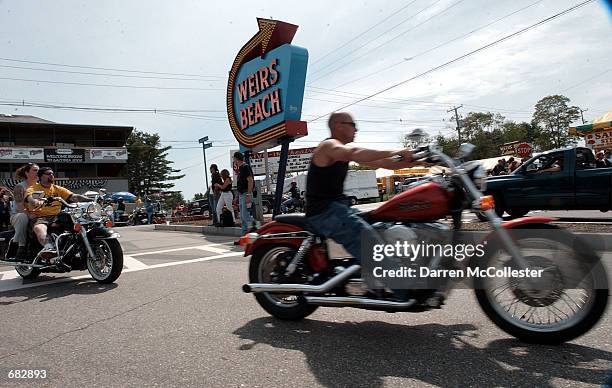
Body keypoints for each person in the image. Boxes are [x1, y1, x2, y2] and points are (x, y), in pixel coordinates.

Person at [305, 112, 414, 295]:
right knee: (366, 237)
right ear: (339, 126)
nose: (356, 128)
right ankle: (406, 290)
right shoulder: (329, 146)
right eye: (353, 124)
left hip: (338, 207)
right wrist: (395, 151)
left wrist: (414, 161)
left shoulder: (343, 150)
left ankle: (368, 275)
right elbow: (353, 152)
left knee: (383, 224)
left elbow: (383, 162)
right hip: (323, 212)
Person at [25, 167, 93, 261]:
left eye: (52, 173)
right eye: (48, 173)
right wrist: (36, 202)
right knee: (39, 227)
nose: (51, 175)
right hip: (41, 216)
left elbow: (74, 197)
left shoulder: (57, 188)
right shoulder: (33, 188)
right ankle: (49, 247)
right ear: (41, 176)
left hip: (57, 216)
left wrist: (90, 200)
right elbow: (29, 197)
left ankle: (79, 247)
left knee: (79, 224)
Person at [7, 163, 39, 262]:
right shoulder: (20, 186)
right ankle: (21, 247)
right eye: (35, 170)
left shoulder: (40, 186)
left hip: (38, 214)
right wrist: (30, 215)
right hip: (18, 215)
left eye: (38, 170)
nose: (38, 172)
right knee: (22, 217)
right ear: (27, 173)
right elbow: (20, 206)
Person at [234, 151, 254, 239]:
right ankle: (244, 236)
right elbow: (240, 184)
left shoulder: (245, 167)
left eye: (234, 159)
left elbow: (250, 180)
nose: (234, 161)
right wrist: (236, 197)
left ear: (236, 159)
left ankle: (257, 228)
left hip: (246, 193)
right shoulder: (241, 169)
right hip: (242, 194)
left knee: (245, 215)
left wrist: (249, 194)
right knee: (242, 217)